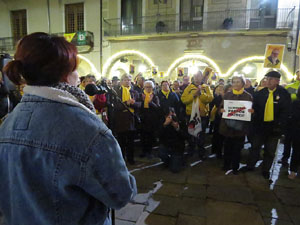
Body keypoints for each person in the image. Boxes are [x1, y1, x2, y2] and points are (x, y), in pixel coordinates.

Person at [0, 32, 136, 225]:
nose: (79, 77)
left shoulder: (8, 122)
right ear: (65, 75)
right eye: (75, 70)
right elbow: (120, 195)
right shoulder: (88, 130)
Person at [245, 71, 291, 179]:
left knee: (270, 151)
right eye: (267, 78)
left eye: (271, 79)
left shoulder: (284, 94)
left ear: (277, 81)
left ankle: (266, 169)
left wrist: (279, 125)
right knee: (255, 147)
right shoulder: (260, 93)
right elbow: (255, 107)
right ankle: (250, 165)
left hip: (274, 128)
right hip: (260, 126)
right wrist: (253, 112)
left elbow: (286, 112)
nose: (268, 81)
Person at [219, 75, 253, 174]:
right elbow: (220, 107)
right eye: (234, 82)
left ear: (242, 83)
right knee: (227, 147)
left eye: (238, 82)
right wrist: (221, 110)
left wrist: (252, 111)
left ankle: (235, 167)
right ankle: (226, 165)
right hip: (228, 126)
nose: (236, 84)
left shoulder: (248, 96)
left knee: (237, 149)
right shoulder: (227, 95)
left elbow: (251, 112)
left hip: (240, 128)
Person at [181, 71, 214, 159]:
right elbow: (184, 100)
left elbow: (210, 99)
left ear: (201, 77)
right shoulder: (189, 87)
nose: (197, 78)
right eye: (195, 76)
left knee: (201, 134)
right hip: (191, 115)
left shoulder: (206, 87)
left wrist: (201, 94)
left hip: (202, 115)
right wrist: (193, 95)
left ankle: (201, 152)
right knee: (191, 134)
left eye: (199, 76)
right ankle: (191, 151)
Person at [112, 73, 141, 165]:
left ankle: (130, 158)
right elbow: (115, 106)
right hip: (120, 119)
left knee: (130, 141)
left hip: (131, 119)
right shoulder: (117, 92)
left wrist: (132, 103)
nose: (127, 81)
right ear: (121, 81)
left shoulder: (134, 92)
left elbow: (139, 104)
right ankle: (121, 159)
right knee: (121, 141)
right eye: (125, 80)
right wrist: (126, 103)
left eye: (129, 80)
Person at [278, 70, 300, 166]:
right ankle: (285, 158)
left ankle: (295, 163)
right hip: (290, 116)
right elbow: (285, 98)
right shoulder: (290, 86)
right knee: (287, 140)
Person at [139, 80, 160, 158]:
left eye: (150, 87)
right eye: (147, 87)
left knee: (150, 137)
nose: (148, 88)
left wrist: (150, 102)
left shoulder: (155, 96)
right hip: (143, 119)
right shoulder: (140, 95)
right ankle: (144, 151)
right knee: (143, 136)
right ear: (144, 87)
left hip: (151, 120)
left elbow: (157, 107)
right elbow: (138, 106)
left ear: (153, 88)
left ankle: (149, 152)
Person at [288, 87, 300, 179]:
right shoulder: (296, 103)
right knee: (296, 151)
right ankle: (293, 170)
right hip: (297, 130)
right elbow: (293, 116)